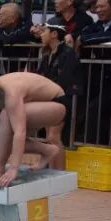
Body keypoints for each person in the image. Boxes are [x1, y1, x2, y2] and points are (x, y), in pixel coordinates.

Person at [35, 22, 80, 164]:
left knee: (54, 136)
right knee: (50, 136)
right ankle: (53, 170)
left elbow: (65, 79)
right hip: (49, 98)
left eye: (44, 31)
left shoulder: (68, 53)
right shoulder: (48, 54)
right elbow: (40, 76)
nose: (41, 34)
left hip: (61, 98)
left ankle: (59, 172)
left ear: (54, 34)